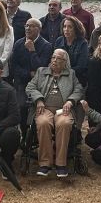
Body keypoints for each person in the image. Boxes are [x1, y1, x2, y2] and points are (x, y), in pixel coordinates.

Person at [26, 49, 85, 178]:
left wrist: (70, 101)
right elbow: (30, 87)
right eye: (53, 57)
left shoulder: (71, 74)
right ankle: (45, 164)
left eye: (58, 58)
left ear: (65, 62)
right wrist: (39, 99)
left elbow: (79, 89)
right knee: (43, 122)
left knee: (64, 123)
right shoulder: (41, 71)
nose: (54, 60)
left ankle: (60, 164)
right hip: (44, 108)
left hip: (63, 110)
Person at [10, 18, 52, 131]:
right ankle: (23, 134)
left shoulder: (46, 45)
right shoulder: (19, 43)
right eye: (27, 26)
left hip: (40, 84)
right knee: (21, 106)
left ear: (39, 29)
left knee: (39, 108)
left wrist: (32, 51)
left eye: (32, 26)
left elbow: (41, 68)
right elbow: (13, 66)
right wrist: (28, 73)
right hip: (22, 82)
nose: (28, 28)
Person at [54, 15, 89, 84]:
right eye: (64, 26)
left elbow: (81, 66)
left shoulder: (83, 43)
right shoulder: (59, 40)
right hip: (59, 77)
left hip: (76, 79)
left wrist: (63, 72)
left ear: (76, 29)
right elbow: (53, 59)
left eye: (70, 27)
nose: (66, 29)